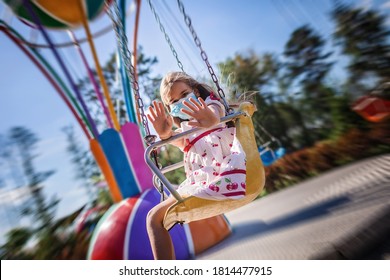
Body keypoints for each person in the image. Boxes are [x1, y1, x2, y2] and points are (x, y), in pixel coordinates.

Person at [146, 72, 247, 259]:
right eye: (174, 102)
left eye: (185, 94)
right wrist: (165, 135)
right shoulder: (185, 130)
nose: (181, 102)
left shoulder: (212, 105)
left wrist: (209, 119)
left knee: (154, 217)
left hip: (224, 173)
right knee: (153, 218)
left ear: (195, 91)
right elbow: (182, 144)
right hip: (198, 181)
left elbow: (213, 118)